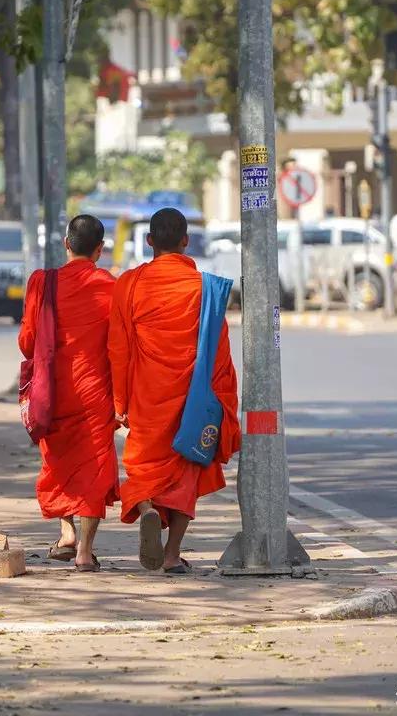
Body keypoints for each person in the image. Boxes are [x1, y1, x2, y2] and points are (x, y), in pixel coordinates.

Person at [108, 207, 241, 574]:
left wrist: (119, 403)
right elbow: (219, 351)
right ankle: (171, 555)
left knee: (143, 467)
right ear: (185, 242)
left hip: (145, 397)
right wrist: (221, 398)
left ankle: (148, 508)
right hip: (193, 399)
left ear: (150, 241)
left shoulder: (128, 284)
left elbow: (117, 350)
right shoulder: (206, 289)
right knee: (186, 471)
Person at [18, 214, 119, 572]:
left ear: (65, 243)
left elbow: (27, 342)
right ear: (100, 250)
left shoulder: (41, 283)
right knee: (93, 468)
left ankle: (66, 532)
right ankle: (84, 553)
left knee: (57, 462)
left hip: (53, 391)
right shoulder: (109, 286)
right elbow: (119, 346)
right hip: (94, 392)